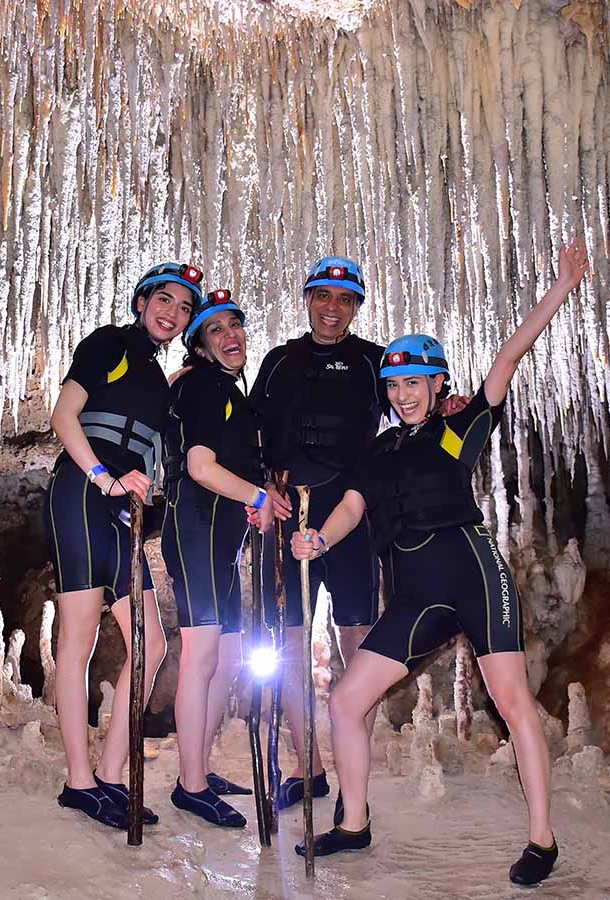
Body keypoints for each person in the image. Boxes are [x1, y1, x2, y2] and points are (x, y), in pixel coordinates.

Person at [290, 239, 589, 886]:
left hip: (475, 577)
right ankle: (355, 822)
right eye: (394, 385)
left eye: (414, 383)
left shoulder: (463, 425)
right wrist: (317, 538)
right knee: (345, 701)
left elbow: (509, 355)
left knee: (513, 702)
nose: (403, 394)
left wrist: (561, 287)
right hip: (415, 597)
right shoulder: (377, 450)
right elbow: (350, 507)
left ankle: (542, 839)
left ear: (438, 384)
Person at [45, 261, 203, 829]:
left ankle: (111, 775)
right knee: (79, 637)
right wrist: (102, 478)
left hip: (123, 513)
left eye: (185, 308)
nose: (172, 313)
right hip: (84, 495)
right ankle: (78, 783)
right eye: (164, 300)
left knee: (152, 644)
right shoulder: (109, 343)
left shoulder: (162, 382)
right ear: (142, 303)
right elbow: (64, 417)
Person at [248, 256, 387, 809]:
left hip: (352, 512)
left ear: (355, 307)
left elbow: (413, 410)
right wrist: (259, 490)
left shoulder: (374, 363)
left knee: (358, 642)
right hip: (287, 510)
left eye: (344, 299)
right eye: (323, 297)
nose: (332, 308)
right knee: (286, 646)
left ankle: (354, 761)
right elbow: (250, 431)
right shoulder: (280, 362)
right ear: (308, 300)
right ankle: (308, 768)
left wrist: (448, 408)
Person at [161, 289, 286, 828]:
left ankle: (201, 767)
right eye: (216, 330)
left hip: (223, 538)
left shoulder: (230, 394)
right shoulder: (203, 388)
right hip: (195, 529)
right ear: (201, 347)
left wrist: (256, 495)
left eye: (235, 324)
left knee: (230, 657)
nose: (231, 335)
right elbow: (200, 466)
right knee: (203, 655)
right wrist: (258, 497)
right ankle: (189, 786)